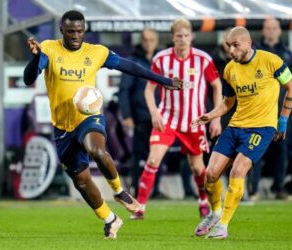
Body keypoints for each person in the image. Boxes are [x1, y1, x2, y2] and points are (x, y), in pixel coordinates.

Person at [23, 10, 182, 239]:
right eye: (70, 31)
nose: (75, 35)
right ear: (62, 30)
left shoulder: (97, 52)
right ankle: (110, 219)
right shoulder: (49, 48)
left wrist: (164, 81)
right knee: (82, 181)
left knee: (96, 149)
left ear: (84, 30)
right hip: (62, 126)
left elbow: (131, 67)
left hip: (89, 116)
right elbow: (29, 79)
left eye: (79, 31)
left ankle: (119, 192)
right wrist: (36, 58)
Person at [192, 26, 292, 239]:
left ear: (248, 43)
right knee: (210, 174)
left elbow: (291, 86)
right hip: (236, 126)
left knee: (238, 170)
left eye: (236, 45)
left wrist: (282, 120)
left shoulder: (271, 61)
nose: (231, 51)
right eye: (229, 46)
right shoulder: (230, 69)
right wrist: (210, 115)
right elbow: (228, 102)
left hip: (262, 127)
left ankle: (223, 225)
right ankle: (214, 213)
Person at [130, 18, 222, 220]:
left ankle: (203, 201)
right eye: (178, 36)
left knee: (197, 167)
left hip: (194, 121)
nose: (182, 40)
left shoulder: (203, 59)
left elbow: (216, 85)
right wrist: (154, 112)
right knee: (153, 159)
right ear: (172, 37)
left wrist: (215, 118)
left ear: (192, 37)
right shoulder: (161, 59)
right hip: (168, 119)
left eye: (186, 36)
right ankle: (140, 208)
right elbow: (149, 90)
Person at [118, 28, 165, 198]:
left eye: (152, 39)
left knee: (158, 154)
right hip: (140, 117)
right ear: (141, 41)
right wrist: (127, 115)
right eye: (145, 40)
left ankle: (156, 190)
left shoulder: (162, 60)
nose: (148, 43)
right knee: (139, 155)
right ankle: (137, 190)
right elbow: (124, 90)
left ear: (156, 40)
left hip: (160, 117)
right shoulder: (133, 61)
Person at [250, 17, 292, 200]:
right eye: (268, 28)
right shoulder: (256, 53)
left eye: (274, 28)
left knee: (282, 151)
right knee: (256, 149)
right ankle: (254, 190)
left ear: (279, 30)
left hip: (282, 110)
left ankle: (279, 188)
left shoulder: (287, 54)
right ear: (263, 30)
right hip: (259, 110)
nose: (271, 31)